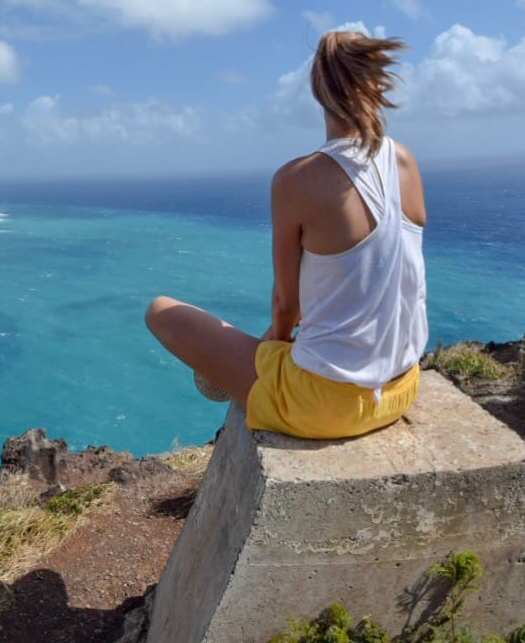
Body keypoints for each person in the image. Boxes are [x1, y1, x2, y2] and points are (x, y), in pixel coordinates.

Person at [144, 32, 428, 439]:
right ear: (377, 85)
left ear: (318, 94)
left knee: (160, 310)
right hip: (402, 387)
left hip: (326, 406)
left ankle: (255, 385)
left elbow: (285, 306)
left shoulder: (297, 179)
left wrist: (270, 353)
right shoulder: (404, 160)